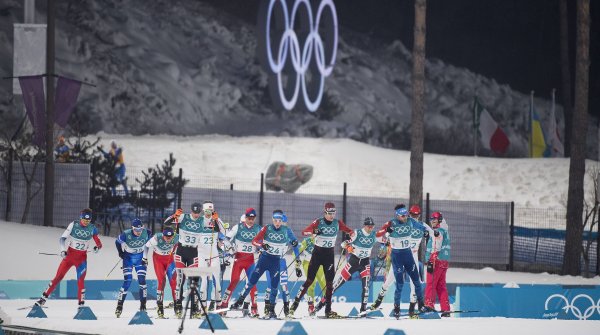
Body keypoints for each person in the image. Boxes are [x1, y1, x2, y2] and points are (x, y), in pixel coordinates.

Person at [230, 209, 300, 319]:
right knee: (252, 281)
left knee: (274, 287)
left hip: (276, 262)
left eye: (279, 221)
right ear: (272, 220)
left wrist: (295, 243)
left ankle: (271, 310)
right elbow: (254, 241)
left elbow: (295, 242)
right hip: (264, 260)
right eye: (275, 220)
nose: (277, 223)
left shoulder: (287, 230)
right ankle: (240, 301)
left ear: (282, 221)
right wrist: (262, 246)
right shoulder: (267, 228)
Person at [289, 202, 354, 319]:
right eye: (329, 213)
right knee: (309, 281)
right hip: (317, 255)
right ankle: (293, 307)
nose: (331, 216)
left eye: (333, 213)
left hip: (329, 256)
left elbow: (351, 232)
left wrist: (349, 240)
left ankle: (328, 311)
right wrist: (314, 232)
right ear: (325, 212)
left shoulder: (337, 223)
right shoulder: (318, 222)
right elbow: (304, 232)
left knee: (329, 285)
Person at [35, 208, 102, 308]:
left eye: (88, 221)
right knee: (58, 277)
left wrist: (97, 248)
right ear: (80, 218)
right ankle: (42, 299)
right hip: (69, 257)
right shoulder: (73, 225)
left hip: (81, 260)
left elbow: (99, 243)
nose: (86, 222)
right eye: (84, 220)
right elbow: (62, 239)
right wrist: (62, 250)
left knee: (80, 281)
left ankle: (81, 305)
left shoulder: (92, 228)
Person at [375, 206, 433, 318]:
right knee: (390, 281)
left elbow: (433, 235)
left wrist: (429, 243)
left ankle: (413, 308)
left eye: (417, 215)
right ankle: (379, 299)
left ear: (420, 215)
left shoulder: (421, 225)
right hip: (399, 256)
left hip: (412, 256)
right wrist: (387, 237)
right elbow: (379, 236)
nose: (414, 217)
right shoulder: (400, 222)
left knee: (415, 283)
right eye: (412, 215)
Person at [314, 217, 378, 315]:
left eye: (372, 226)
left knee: (366, 288)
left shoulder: (374, 235)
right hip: (353, 262)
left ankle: (363, 310)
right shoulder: (357, 233)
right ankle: (320, 305)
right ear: (365, 226)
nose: (371, 228)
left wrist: (388, 242)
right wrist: (348, 247)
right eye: (369, 226)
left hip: (365, 263)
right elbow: (343, 244)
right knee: (336, 285)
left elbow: (385, 239)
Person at [220, 208, 261, 317]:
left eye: (253, 218)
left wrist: (261, 248)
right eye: (249, 218)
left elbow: (264, 241)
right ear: (245, 217)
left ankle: (254, 308)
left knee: (252, 283)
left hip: (250, 260)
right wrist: (231, 248)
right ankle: (224, 305)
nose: (251, 220)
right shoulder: (238, 227)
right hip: (238, 259)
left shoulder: (258, 228)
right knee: (234, 281)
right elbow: (226, 238)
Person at [263, 212, 302, 318]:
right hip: (270, 260)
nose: (281, 224)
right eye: (278, 221)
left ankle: (286, 310)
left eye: (283, 222)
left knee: (284, 286)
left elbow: (295, 245)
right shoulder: (270, 229)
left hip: (281, 262)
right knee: (271, 286)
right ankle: (269, 309)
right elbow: (261, 242)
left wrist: (297, 262)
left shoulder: (287, 231)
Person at [114, 218, 152, 317]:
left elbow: (150, 243)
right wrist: (120, 252)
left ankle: (143, 305)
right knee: (128, 281)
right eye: (136, 230)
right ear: (132, 228)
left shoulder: (147, 232)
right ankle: (119, 305)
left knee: (142, 280)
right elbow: (117, 242)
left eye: (140, 230)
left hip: (140, 258)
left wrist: (145, 257)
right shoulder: (126, 234)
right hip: (128, 258)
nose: (139, 232)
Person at [143, 226, 178, 319]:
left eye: (170, 237)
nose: (168, 239)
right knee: (162, 281)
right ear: (163, 235)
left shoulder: (176, 237)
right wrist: (144, 257)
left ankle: (177, 307)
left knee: (174, 282)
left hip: (169, 260)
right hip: (158, 260)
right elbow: (146, 246)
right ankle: (160, 307)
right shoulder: (157, 238)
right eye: (166, 237)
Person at [423, 211, 451, 317]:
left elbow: (437, 244)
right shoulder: (444, 230)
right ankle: (445, 309)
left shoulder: (438, 231)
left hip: (436, 260)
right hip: (444, 261)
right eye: (431, 219)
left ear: (439, 220)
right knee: (441, 286)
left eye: (434, 219)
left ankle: (429, 305)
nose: (432, 221)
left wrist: (432, 260)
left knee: (431, 284)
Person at [297, 235, 325, 316]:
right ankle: (311, 306)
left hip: (320, 265)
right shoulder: (306, 241)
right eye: (313, 233)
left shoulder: (323, 241)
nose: (315, 235)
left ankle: (323, 305)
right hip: (308, 263)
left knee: (325, 285)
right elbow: (296, 252)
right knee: (311, 284)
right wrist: (297, 265)